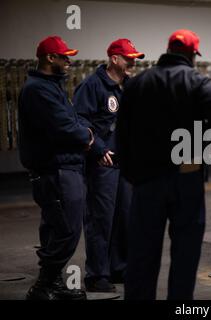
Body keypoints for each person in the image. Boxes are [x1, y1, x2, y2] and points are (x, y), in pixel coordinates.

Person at [117, 29, 211, 300]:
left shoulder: (138, 83)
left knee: (142, 253)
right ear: (192, 54)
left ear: (168, 49)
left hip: (146, 180)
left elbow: (122, 133)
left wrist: (132, 173)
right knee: (185, 253)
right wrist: (198, 150)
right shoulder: (197, 82)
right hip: (186, 178)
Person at [18, 36, 94, 300]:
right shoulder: (39, 90)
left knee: (54, 229)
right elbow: (64, 127)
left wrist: (82, 134)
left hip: (63, 167)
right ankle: (43, 286)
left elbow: (69, 121)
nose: (69, 61)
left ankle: (53, 285)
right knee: (67, 230)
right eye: (64, 57)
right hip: (56, 170)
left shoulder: (51, 87)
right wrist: (87, 137)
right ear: (50, 58)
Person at [73, 39, 144, 292]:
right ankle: (96, 275)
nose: (133, 63)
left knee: (125, 218)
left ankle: (119, 268)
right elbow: (79, 121)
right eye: (129, 59)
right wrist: (98, 149)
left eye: (135, 58)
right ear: (114, 59)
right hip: (103, 165)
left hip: (126, 165)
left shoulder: (127, 88)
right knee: (100, 220)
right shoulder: (92, 86)